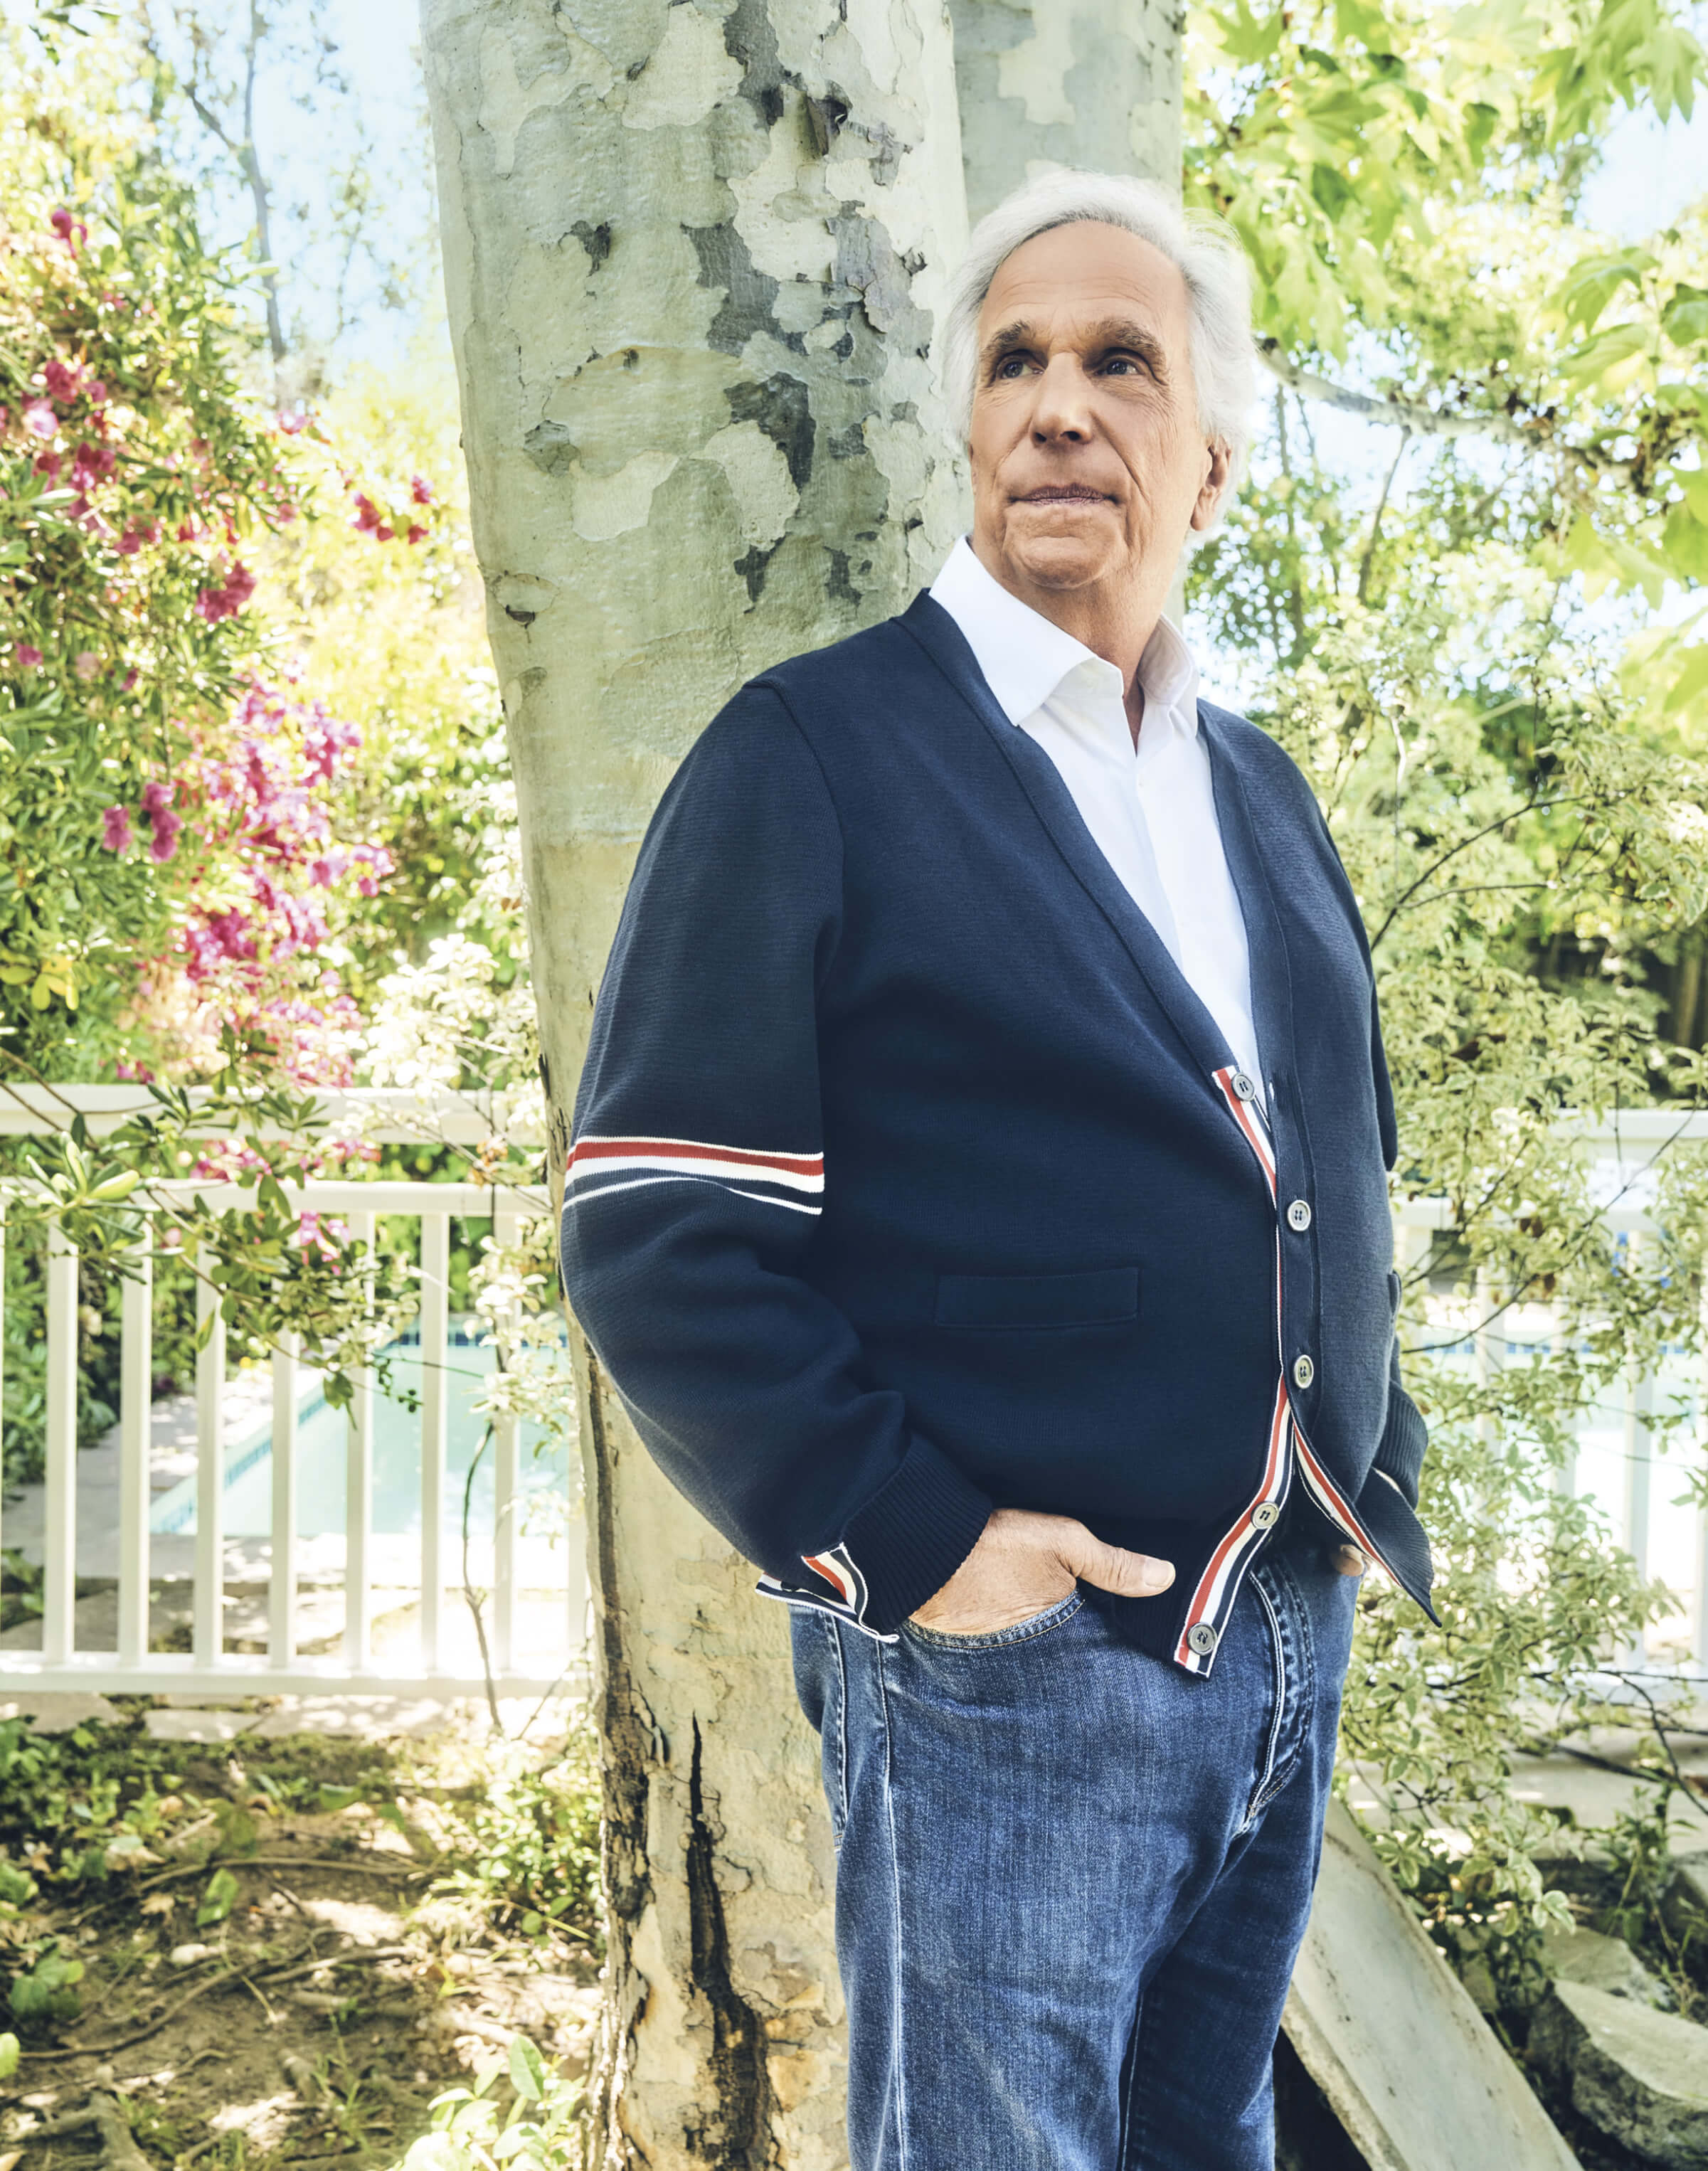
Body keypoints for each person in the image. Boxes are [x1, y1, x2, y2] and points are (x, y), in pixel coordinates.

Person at [559, 166, 1434, 2171]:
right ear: (966, 428)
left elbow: (1321, 1159)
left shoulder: (1256, 783)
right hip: (1013, 1681)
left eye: (1117, 361)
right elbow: (654, 1230)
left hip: (1287, 1629)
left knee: (1200, 2138)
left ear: (1209, 459)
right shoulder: (811, 755)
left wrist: (1367, 1465)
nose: (1055, 402)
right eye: (1014, 360)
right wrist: (929, 1550)